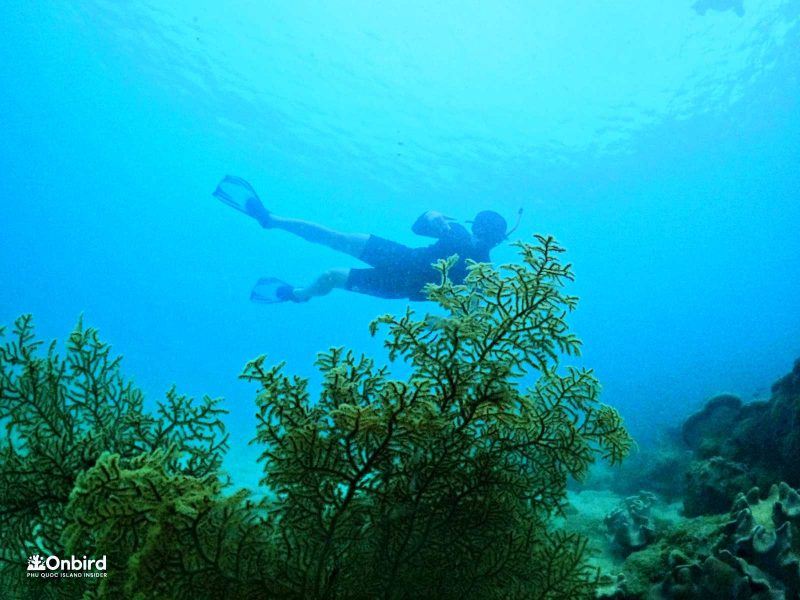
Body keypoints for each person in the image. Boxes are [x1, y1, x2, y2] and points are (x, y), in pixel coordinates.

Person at [213, 175, 515, 303]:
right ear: (475, 226)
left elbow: (471, 312)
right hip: (402, 257)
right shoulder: (458, 232)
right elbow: (418, 228)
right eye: (479, 230)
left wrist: (446, 325)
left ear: (496, 241)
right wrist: (430, 214)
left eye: (486, 237)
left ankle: (299, 294)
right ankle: (270, 220)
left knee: (330, 276)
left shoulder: (484, 272)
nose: (479, 239)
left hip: (401, 286)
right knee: (336, 237)